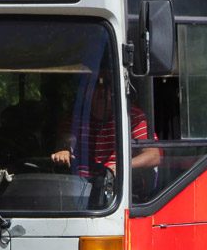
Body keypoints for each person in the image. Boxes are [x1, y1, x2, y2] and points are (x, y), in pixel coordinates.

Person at [52, 74, 160, 206]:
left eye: (107, 86)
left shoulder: (132, 115)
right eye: (95, 86)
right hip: (80, 191)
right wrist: (64, 150)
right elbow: (67, 139)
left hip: (120, 193)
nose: (103, 92)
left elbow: (153, 156)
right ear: (84, 92)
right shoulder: (74, 115)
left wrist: (121, 166)